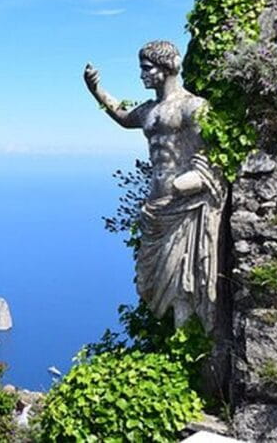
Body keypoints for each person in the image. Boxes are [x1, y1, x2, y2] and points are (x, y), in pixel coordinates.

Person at [84, 41, 226, 332]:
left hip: (184, 205)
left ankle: (191, 343)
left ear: (168, 66)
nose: (142, 75)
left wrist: (188, 183)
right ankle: (179, 342)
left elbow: (211, 160)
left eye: (147, 68)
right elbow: (123, 118)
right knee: (156, 282)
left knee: (185, 281)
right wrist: (96, 90)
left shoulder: (193, 107)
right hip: (156, 208)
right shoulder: (149, 110)